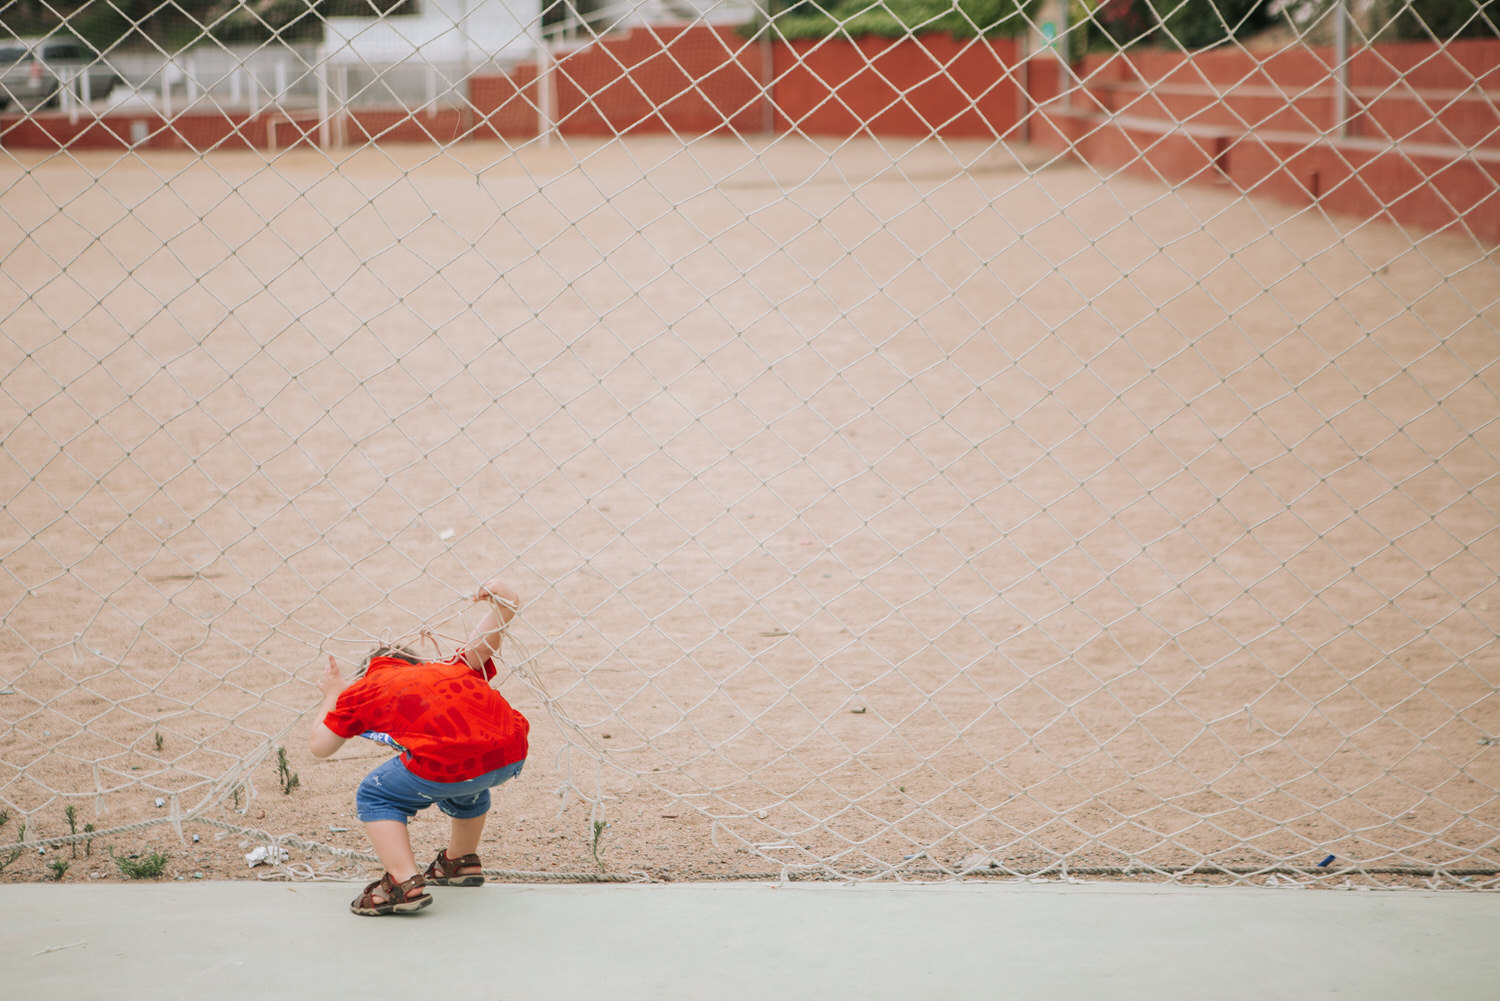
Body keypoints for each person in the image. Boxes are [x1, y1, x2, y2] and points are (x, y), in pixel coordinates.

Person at [309, 578, 528, 916]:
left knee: (374, 793)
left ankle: (403, 882)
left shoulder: (365, 690)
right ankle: (459, 862)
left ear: (365, 675)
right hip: (509, 752)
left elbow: (320, 748)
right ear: (418, 663)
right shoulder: (448, 667)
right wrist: (502, 607)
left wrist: (333, 695)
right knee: (463, 773)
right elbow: (481, 645)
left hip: (451, 760)